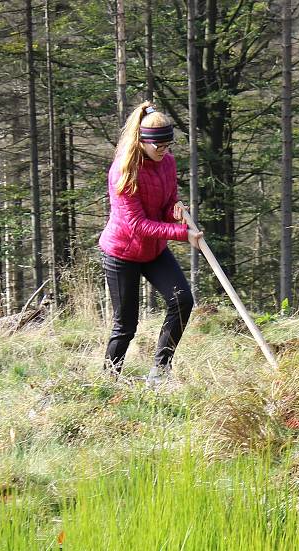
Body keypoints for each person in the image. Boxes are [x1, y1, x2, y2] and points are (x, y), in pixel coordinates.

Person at [98, 101, 203, 387]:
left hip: (153, 251)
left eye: (167, 145)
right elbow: (137, 225)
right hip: (122, 253)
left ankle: (159, 371)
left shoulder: (167, 162)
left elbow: (168, 200)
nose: (163, 151)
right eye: (157, 146)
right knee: (126, 325)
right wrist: (183, 234)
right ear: (141, 141)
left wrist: (176, 211)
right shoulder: (123, 171)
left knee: (182, 300)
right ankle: (108, 381)